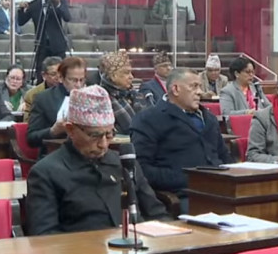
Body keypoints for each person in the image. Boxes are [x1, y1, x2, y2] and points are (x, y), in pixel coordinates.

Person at [25, 84, 167, 236]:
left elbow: (156, 214)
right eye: (95, 135)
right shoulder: (46, 172)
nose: (103, 144)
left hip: (136, 243)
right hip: (82, 248)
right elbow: (45, 236)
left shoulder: (124, 162)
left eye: (109, 134)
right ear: (71, 130)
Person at [130, 68, 234, 213]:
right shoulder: (149, 119)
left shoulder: (209, 118)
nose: (200, 92)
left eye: (200, 86)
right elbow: (142, 169)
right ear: (176, 89)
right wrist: (190, 178)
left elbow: (225, 157)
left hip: (222, 190)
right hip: (185, 195)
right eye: (194, 86)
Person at [26, 56, 87, 151]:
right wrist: (53, 131)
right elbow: (31, 138)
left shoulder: (90, 96)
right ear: (61, 78)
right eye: (73, 80)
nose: (78, 85)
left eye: (81, 80)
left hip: (86, 151)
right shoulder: (43, 99)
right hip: (55, 152)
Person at [17, 0, 71, 78]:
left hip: (58, 45)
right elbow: (21, 22)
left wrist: (57, 3)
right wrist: (21, 10)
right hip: (41, 45)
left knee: (61, 73)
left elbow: (67, 18)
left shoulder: (61, 2)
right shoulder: (34, 4)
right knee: (41, 74)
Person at [99, 51, 147, 135]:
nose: (131, 77)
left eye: (131, 72)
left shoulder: (134, 94)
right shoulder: (102, 99)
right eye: (126, 73)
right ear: (113, 76)